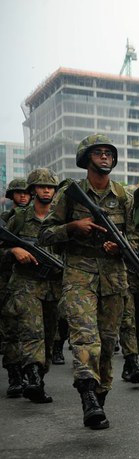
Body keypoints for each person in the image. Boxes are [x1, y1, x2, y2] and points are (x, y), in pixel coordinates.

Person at [40, 135, 136, 429]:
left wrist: (121, 246)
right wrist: (72, 227)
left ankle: (99, 394)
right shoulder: (70, 194)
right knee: (85, 337)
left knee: (107, 344)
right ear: (86, 158)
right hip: (79, 274)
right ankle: (87, 394)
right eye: (99, 153)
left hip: (113, 277)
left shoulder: (124, 197)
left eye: (109, 153)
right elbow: (45, 234)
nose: (105, 157)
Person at [4, 169, 62, 404]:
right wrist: (13, 250)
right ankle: (33, 378)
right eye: (41, 186)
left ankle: (39, 375)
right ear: (32, 190)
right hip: (25, 284)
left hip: (53, 286)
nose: (46, 190)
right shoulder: (18, 218)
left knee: (49, 335)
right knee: (31, 331)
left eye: (50, 187)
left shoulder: (60, 218)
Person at [2, 178, 31, 397]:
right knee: (11, 331)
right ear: (11, 195)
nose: (23, 196)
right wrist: (11, 252)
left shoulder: (39, 218)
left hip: (32, 283)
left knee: (32, 332)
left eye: (26, 192)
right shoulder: (5, 221)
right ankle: (14, 375)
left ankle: (32, 372)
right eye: (18, 193)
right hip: (7, 282)